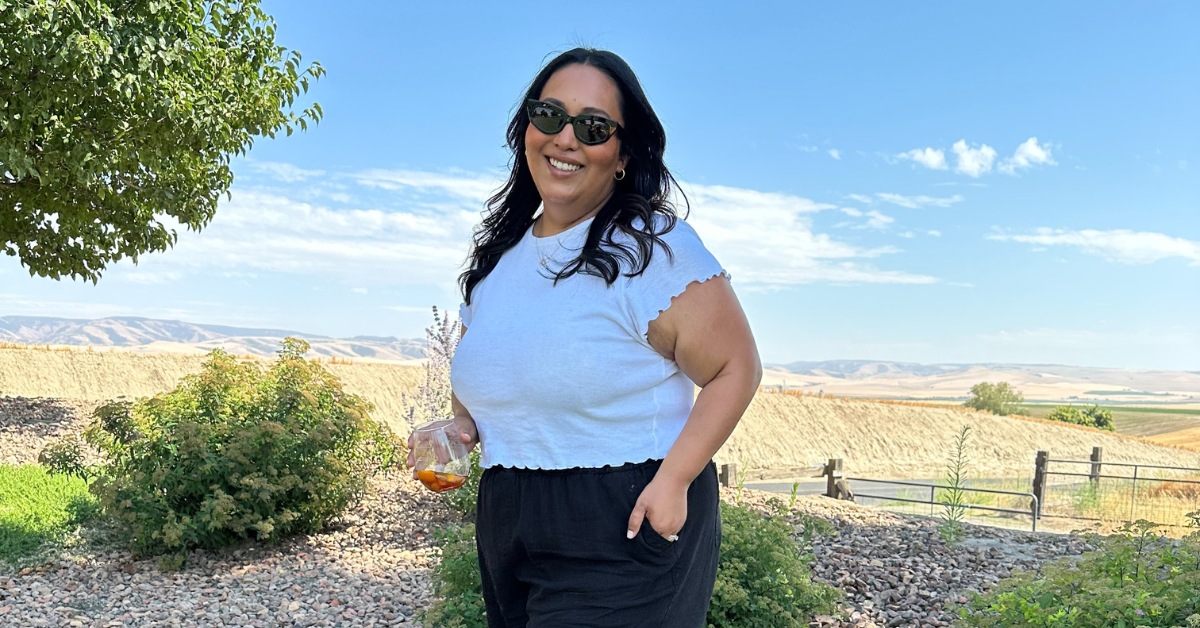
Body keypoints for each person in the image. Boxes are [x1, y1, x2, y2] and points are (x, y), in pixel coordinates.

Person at [406, 47, 761, 628]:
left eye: (593, 127)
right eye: (549, 115)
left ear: (622, 153)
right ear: (527, 129)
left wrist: (674, 481)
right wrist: (460, 430)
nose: (566, 138)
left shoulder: (654, 247)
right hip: (508, 517)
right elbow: (491, 385)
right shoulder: (498, 262)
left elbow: (735, 368)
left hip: (625, 516)